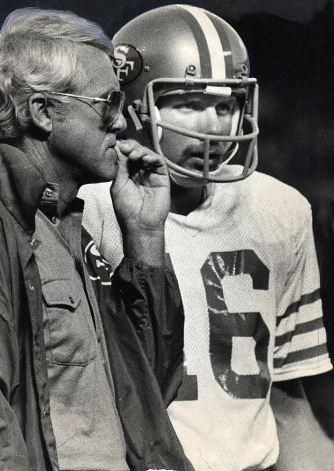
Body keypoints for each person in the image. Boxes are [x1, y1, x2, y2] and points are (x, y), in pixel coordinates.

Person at [79, 5, 334, 470]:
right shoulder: (87, 210)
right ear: (134, 106)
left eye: (227, 104)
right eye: (189, 103)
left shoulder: (282, 209)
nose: (213, 125)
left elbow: (289, 401)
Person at [0, 8, 193, 471]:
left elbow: (152, 391)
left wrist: (145, 234)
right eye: (109, 103)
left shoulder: (66, 229)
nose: (124, 123)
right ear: (43, 111)